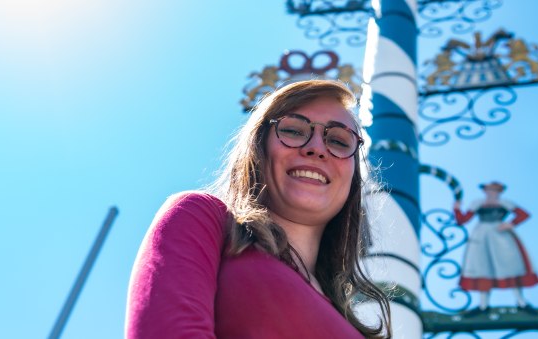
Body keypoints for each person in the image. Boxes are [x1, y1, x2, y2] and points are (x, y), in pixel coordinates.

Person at [125, 80, 391, 338]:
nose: (316, 148)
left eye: (338, 141)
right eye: (294, 131)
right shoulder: (203, 218)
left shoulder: (354, 322)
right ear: (258, 147)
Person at [453, 181, 538, 316]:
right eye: (489, 190)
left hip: (501, 237)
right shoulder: (478, 203)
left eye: (494, 190)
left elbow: (523, 214)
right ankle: (483, 305)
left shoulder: (505, 203)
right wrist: (457, 209)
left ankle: (521, 302)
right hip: (481, 237)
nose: (491, 193)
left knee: (512, 267)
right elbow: (462, 220)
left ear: (499, 192)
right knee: (482, 269)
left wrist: (511, 224)